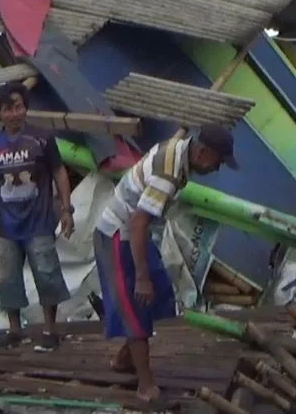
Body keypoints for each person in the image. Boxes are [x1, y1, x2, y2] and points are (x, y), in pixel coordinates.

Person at [93, 124, 238, 403]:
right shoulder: (168, 175)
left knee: (158, 294)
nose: (217, 169)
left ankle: (126, 358)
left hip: (135, 233)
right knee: (135, 303)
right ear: (204, 152)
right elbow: (137, 223)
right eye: (218, 162)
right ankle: (145, 386)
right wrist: (141, 277)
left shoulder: (180, 148)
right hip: (117, 234)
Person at [0, 81, 75, 352]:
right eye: (8, 109)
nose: (14, 113)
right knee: (7, 278)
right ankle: (15, 330)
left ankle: (50, 330)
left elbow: (59, 172)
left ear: (25, 108)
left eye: (18, 107)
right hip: (6, 226)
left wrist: (66, 209)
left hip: (39, 222)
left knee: (47, 274)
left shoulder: (41, 137)